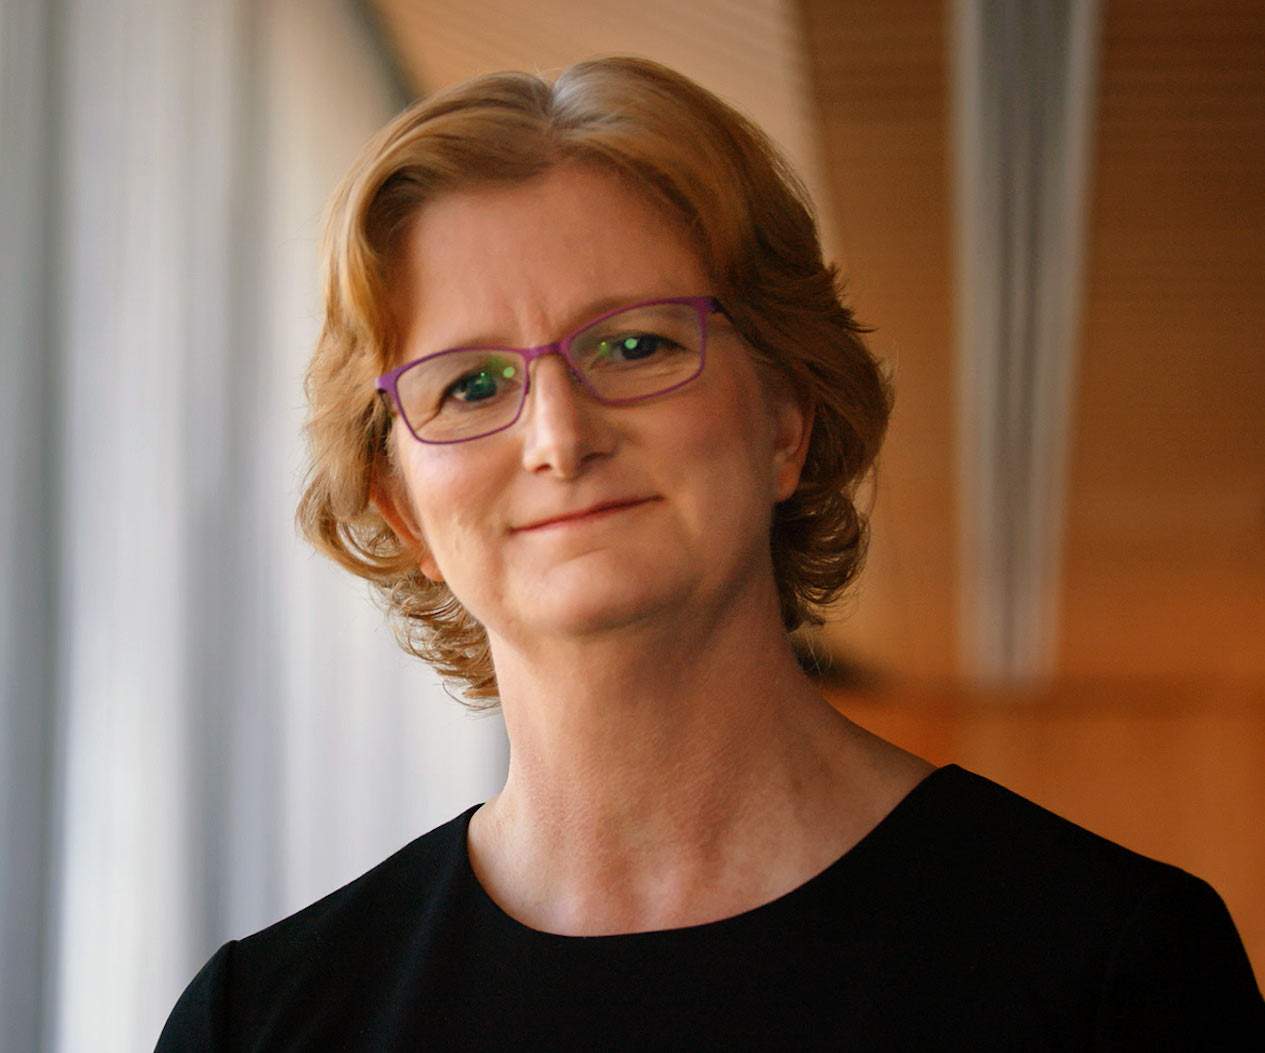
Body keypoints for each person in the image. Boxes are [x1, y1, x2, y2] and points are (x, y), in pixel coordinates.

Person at [157, 56, 1263, 1050]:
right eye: (471, 385)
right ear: (402, 511)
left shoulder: (1109, 968)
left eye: (634, 344)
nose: (558, 437)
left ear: (785, 418)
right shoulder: (262, 1022)